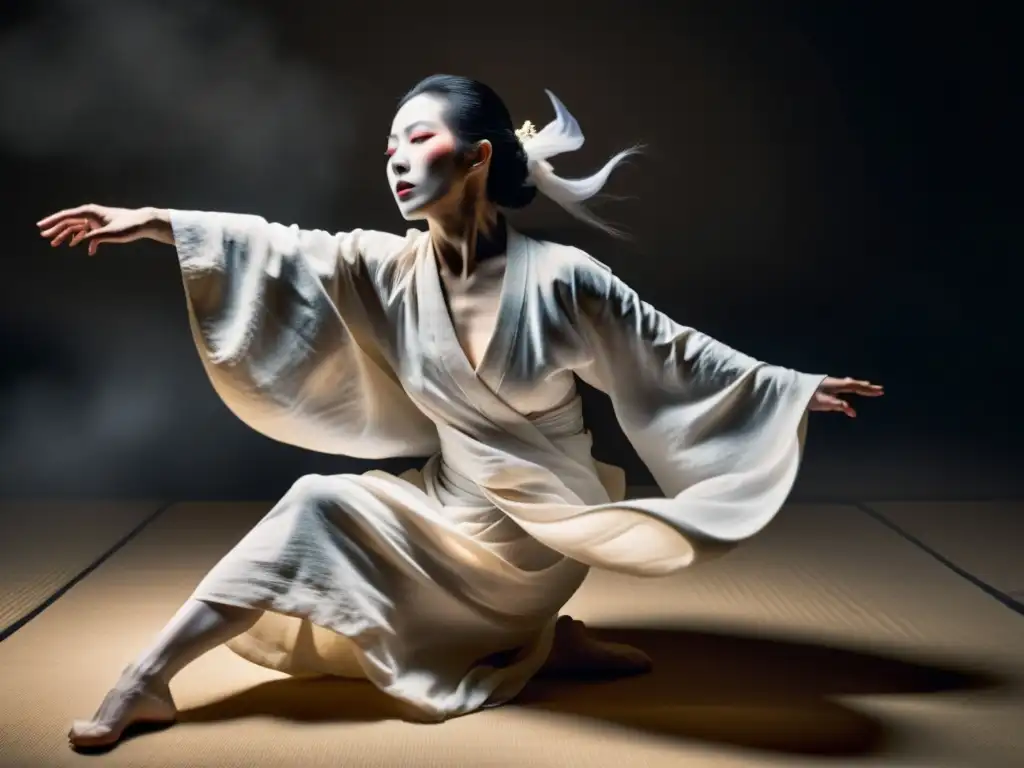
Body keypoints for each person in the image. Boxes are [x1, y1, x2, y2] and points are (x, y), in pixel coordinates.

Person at [38, 74, 882, 750]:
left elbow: (671, 351)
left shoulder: (563, 278)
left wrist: (788, 385)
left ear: (479, 157)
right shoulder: (385, 267)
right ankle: (148, 677)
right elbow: (277, 247)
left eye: (419, 140)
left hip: (547, 528)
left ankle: (537, 627)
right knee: (320, 505)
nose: (397, 162)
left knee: (319, 504)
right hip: (447, 506)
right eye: (389, 147)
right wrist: (156, 222)